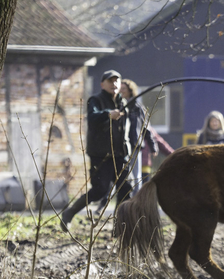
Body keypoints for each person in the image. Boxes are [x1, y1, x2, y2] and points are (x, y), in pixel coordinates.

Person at [59, 70, 133, 231]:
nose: (114, 84)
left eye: (116, 81)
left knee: (126, 188)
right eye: (110, 81)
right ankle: (69, 213)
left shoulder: (123, 103)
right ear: (102, 84)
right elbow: (92, 119)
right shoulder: (96, 100)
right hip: (102, 155)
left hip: (121, 155)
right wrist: (108, 115)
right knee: (100, 190)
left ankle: (120, 227)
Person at [120, 78, 157, 194]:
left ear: (130, 90)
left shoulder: (137, 107)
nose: (121, 91)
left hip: (135, 144)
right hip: (121, 146)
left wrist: (152, 146)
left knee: (136, 175)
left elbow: (146, 128)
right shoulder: (118, 105)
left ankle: (135, 200)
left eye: (124, 89)